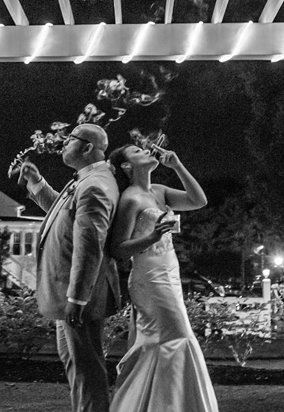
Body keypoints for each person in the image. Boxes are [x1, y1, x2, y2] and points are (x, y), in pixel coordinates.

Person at [17, 123, 121, 412]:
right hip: (69, 294)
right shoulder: (87, 180)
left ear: (88, 147)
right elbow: (64, 214)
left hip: (76, 297)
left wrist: (77, 298)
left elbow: (90, 246)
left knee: (87, 370)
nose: (63, 143)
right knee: (77, 366)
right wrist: (37, 183)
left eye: (70, 139)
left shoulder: (95, 185)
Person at [106, 144, 216, 412]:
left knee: (168, 340)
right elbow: (118, 248)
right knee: (176, 337)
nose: (145, 150)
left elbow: (198, 201)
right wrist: (152, 236)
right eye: (136, 151)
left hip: (170, 272)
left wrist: (177, 165)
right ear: (126, 166)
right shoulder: (130, 199)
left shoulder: (158, 192)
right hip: (149, 277)